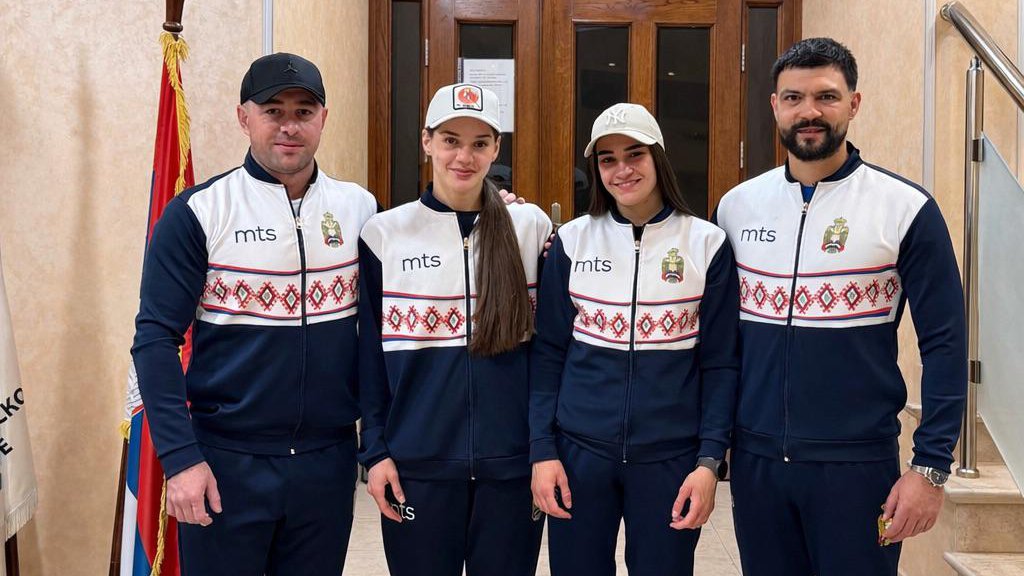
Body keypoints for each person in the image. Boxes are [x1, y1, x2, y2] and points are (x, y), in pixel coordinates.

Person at [714, 37, 967, 576]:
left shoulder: (906, 209)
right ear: (774, 106)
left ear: (854, 103)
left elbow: (946, 343)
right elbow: (719, 341)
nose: (809, 111)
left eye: (826, 96)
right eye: (794, 98)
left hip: (857, 468)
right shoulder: (736, 208)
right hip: (758, 465)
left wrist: (931, 466)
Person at [131, 53, 377, 574]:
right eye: (273, 111)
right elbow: (154, 339)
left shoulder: (360, 209)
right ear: (244, 117)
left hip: (326, 465)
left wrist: (499, 216)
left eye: (304, 111)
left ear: (323, 118)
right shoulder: (199, 213)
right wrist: (180, 459)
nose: (289, 126)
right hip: (225, 466)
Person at [529, 102, 740, 576]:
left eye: (635, 154)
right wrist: (542, 451)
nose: (622, 170)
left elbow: (721, 363)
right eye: (608, 159)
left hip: (670, 458)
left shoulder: (706, 244)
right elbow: (548, 355)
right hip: (579, 454)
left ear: (658, 158)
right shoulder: (572, 242)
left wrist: (709, 460)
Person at [357, 83, 551, 576]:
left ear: (496, 148)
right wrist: (375, 452)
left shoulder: (531, 229)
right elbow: (369, 359)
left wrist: (542, 449)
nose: (464, 157)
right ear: (427, 141)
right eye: (450, 140)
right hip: (416, 469)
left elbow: (549, 353)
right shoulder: (385, 234)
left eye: (479, 143)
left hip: (511, 469)